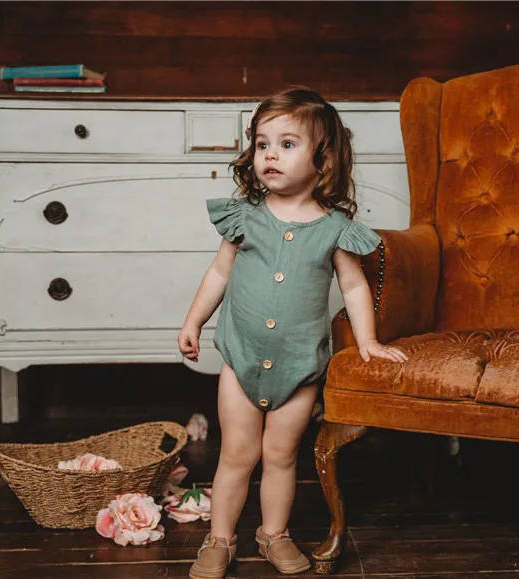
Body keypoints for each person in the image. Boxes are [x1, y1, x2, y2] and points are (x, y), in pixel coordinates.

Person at [178, 86, 409, 578]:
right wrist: (193, 320)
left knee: (281, 456)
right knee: (237, 454)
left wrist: (368, 341)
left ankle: (273, 533)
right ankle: (219, 538)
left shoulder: (334, 229)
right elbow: (218, 273)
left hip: (300, 365)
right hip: (241, 360)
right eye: (262, 144)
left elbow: (354, 287)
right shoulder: (245, 217)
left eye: (286, 144)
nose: (269, 155)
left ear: (323, 161)